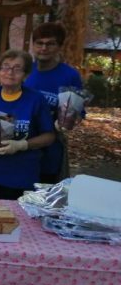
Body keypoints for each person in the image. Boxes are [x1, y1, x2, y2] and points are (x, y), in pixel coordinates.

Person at [0, 49, 55, 200]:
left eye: (17, 69)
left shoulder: (36, 100)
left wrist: (22, 145)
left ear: (26, 75)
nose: (10, 72)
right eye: (5, 67)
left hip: (21, 174)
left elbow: (49, 136)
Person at [25, 22, 84, 184]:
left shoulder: (70, 76)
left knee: (44, 191)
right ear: (33, 45)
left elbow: (78, 113)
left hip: (50, 150)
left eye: (50, 44)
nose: (44, 48)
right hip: (20, 144)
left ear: (59, 47)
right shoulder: (24, 70)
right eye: (39, 43)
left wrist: (68, 121)